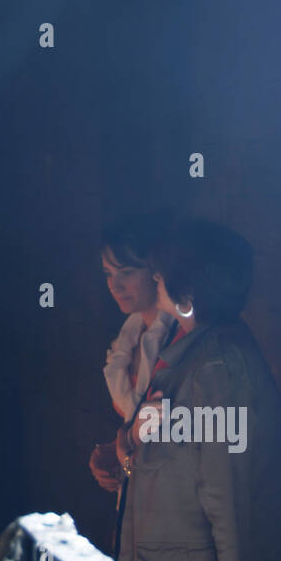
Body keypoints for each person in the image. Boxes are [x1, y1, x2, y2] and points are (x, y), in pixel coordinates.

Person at [104, 218, 281, 561]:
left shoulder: (216, 370)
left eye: (161, 273)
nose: (154, 280)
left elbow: (232, 518)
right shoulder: (190, 360)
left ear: (189, 291)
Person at [89, 214, 175, 501]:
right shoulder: (130, 337)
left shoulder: (178, 340)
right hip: (139, 505)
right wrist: (116, 458)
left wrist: (124, 451)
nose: (115, 285)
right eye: (108, 274)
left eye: (126, 271)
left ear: (156, 269)